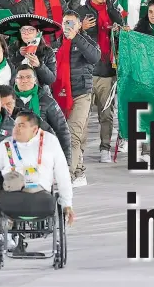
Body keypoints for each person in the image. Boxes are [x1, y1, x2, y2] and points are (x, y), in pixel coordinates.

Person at [0, 111, 74, 226]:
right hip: (12, 193)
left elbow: (62, 174)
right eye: (15, 125)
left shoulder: (50, 142)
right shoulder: (6, 145)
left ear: (34, 129)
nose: (16, 129)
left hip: (40, 192)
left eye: (21, 126)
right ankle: (5, 232)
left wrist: (67, 205)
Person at [76, 0, 123, 163]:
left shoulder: (113, 11)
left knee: (106, 114)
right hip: (86, 71)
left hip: (107, 71)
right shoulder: (80, 13)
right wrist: (81, 28)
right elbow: (70, 37)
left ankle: (105, 148)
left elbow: (122, 39)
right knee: (82, 115)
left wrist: (120, 31)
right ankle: (79, 148)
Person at [51, 11, 100, 187]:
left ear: (79, 25)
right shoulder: (56, 45)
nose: (68, 27)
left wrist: (77, 38)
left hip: (81, 94)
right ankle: (79, 172)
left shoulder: (86, 41)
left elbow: (95, 57)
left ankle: (67, 175)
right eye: (65, 23)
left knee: (72, 135)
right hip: (61, 95)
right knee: (74, 136)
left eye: (72, 23)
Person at [14, 65, 72, 164]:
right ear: (15, 80)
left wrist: (66, 161)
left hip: (43, 154)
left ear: (35, 80)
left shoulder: (47, 101)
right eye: (21, 77)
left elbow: (62, 130)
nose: (24, 81)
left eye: (28, 77)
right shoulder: (9, 101)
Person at [8, 24, 57, 89]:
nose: (26, 33)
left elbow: (50, 80)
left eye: (31, 30)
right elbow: (6, 73)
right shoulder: (12, 48)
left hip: (40, 93)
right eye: (23, 30)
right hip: (16, 92)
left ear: (38, 32)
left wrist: (39, 66)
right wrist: (18, 56)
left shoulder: (47, 51)